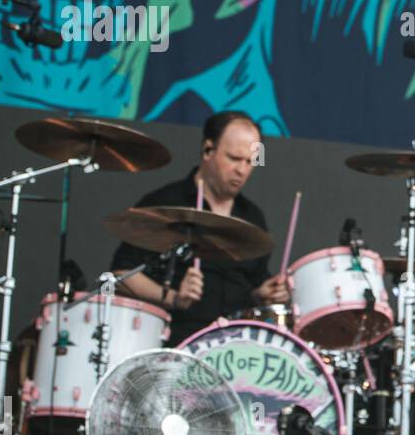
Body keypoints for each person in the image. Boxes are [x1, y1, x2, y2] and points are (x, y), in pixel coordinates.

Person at [111, 111, 290, 345]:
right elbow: (122, 275)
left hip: (237, 347)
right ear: (208, 150)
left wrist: (263, 295)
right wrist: (173, 298)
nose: (242, 170)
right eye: (235, 158)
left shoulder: (252, 217)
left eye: (250, 161)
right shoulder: (165, 205)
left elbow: (253, 286)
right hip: (176, 343)